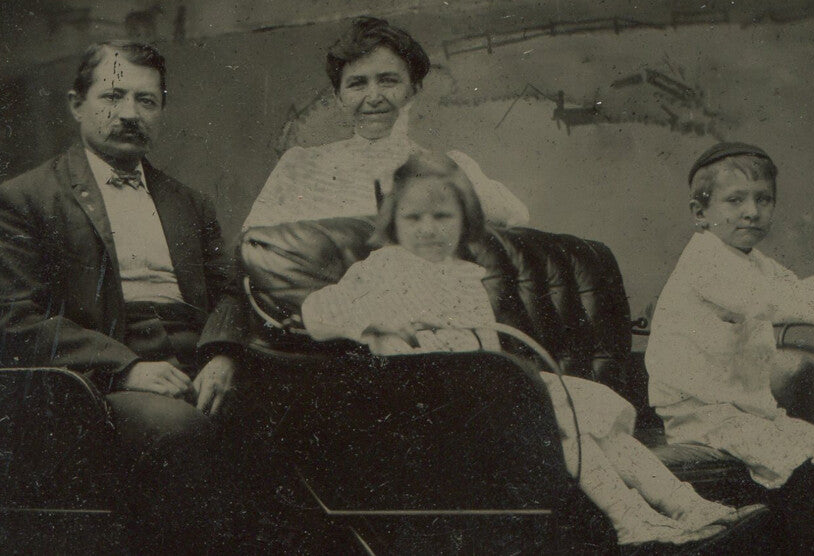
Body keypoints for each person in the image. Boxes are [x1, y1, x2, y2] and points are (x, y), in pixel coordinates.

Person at [299, 152, 760, 546]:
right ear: (393, 221)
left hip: (481, 394)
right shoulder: (382, 266)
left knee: (593, 430)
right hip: (426, 407)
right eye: (413, 218)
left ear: (465, 222)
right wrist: (375, 318)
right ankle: (631, 521)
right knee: (566, 425)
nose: (428, 230)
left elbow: (487, 348)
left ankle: (686, 507)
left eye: (443, 217)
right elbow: (317, 313)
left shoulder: (464, 277)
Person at [0, 41, 257, 549]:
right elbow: (14, 318)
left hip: (198, 361)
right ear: (76, 104)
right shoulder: (25, 198)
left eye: (147, 100)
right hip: (101, 377)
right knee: (178, 432)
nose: (130, 113)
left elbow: (230, 290)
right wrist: (125, 367)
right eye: (112, 96)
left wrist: (223, 352)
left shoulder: (189, 202)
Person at [645, 142, 814, 554]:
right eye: (735, 200)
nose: (752, 212)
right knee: (806, 472)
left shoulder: (753, 260)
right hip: (702, 416)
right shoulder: (704, 260)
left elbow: (797, 288)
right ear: (700, 214)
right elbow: (762, 299)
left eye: (763, 199)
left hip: (749, 412)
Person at [244, 15, 529, 229]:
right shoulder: (300, 166)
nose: (374, 97)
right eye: (357, 84)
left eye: (388, 80)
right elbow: (256, 246)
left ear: (413, 89)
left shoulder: (449, 166)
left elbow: (516, 217)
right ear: (339, 97)